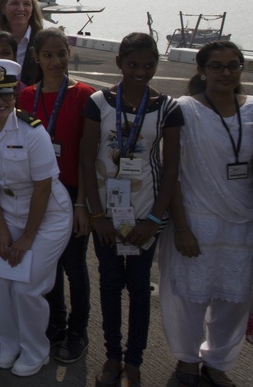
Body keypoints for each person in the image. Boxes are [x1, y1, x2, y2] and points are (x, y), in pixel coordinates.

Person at [80, 33, 183, 387]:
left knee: (139, 287)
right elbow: (87, 157)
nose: (141, 71)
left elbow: (171, 168)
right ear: (119, 63)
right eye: (133, 64)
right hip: (106, 216)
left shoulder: (168, 108)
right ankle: (112, 356)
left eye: (149, 65)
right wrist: (96, 215)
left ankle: (134, 361)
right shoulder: (98, 102)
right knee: (109, 283)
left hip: (145, 216)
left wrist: (154, 219)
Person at [0, 58, 72, 378]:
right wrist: (1, 230)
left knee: (27, 287)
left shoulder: (32, 131)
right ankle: (9, 341)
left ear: (16, 95)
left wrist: (26, 238)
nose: (0, 101)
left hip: (49, 215)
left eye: (6, 94)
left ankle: (35, 349)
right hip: (9, 213)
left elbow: (43, 188)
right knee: (1, 282)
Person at [159, 41, 251, 387]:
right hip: (196, 218)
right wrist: (181, 227)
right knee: (188, 296)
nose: (226, 73)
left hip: (242, 223)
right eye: (217, 66)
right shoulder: (185, 110)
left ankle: (217, 361)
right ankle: (186, 360)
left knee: (235, 298)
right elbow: (173, 172)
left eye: (233, 65)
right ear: (202, 70)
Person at [17, 28, 95, 364]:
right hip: (38, 191)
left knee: (74, 264)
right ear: (36, 58)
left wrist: (82, 205)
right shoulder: (25, 98)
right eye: (47, 55)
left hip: (73, 191)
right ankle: (55, 323)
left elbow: (88, 154)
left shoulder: (85, 96)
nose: (55, 61)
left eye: (61, 53)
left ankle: (78, 331)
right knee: (46, 262)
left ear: (68, 54)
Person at [0, 0, 44, 85]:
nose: (21, 8)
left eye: (26, 4)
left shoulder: (43, 43)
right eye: (15, 3)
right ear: (3, 7)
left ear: (32, 9)